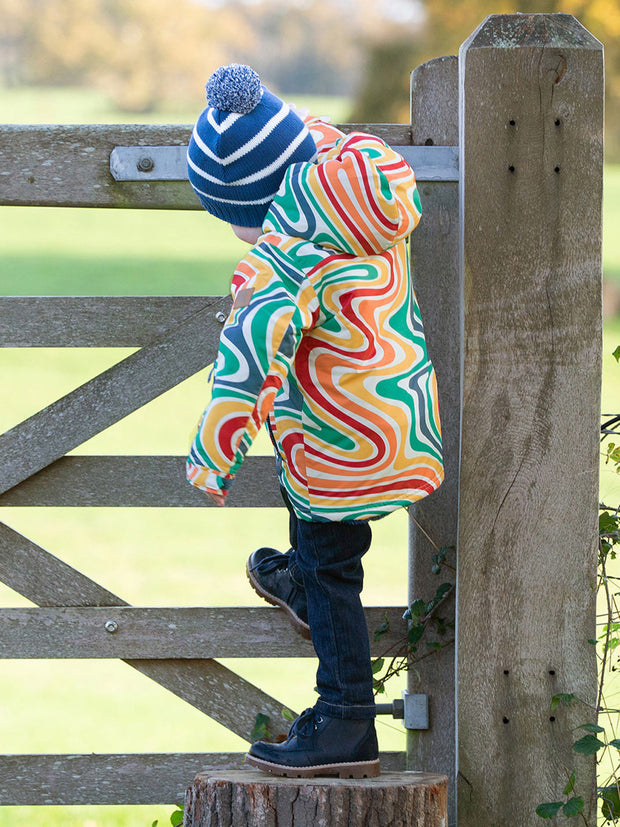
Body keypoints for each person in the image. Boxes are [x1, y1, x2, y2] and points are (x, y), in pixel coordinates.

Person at [185, 63, 443, 779]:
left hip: (330, 443)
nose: (239, 234)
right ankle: (298, 576)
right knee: (329, 549)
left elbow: (246, 357)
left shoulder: (283, 257)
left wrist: (215, 451)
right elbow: (308, 138)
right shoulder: (359, 185)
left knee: (334, 568)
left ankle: (345, 722)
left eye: (234, 217)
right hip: (398, 423)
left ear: (257, 203)